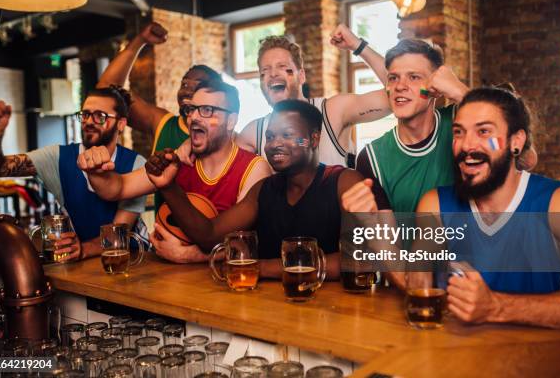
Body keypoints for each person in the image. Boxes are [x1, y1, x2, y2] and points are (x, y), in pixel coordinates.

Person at [143, 99, 391, 278]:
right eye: (270, 137)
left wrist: (261, 267)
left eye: (287, 135)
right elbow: (209, 235)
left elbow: (361, 259)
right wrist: (169, 187)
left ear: (313, 139)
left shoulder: (343, 182)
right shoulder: (263, 190)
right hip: (272, 311)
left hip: (336, 315)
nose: (275, 144)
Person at [415, 87, 560, 328]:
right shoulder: (434, 205)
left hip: (543, 361)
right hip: (459, 358)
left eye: (484, 131)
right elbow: (416, 286)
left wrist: (496, 307)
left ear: (515, 142)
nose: (467, 145)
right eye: (459, 132)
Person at [78, 80, 272, 263]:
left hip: (224, 287)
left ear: (231, 121)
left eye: (207, 110)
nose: (194, 117)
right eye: (192, 109)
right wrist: (94, 171)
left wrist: (188, 255)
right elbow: (117, 188)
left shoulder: (253, 168)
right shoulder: (177, 160)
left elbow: (244, 244)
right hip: (168, 283)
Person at [178, 24, 391, 168]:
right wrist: (194, 142)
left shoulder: (332, 111)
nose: (272, 74)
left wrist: (357, 45)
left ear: (301, 75)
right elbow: (220, 155)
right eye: (264, 71)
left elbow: (396, 93)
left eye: (282, 67)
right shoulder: (255, 133)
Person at [0, 87, 147, 261]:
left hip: (130, 260)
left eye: (100, 116)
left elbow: (120, 231)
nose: (89, 121)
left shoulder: (136, 163)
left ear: (121, 124)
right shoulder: (58, 157)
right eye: (85, 114)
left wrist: (83, 249)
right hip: (78, 262)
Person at [96, 22, 222, 212]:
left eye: (198, 85)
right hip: (162, 237)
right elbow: (107, 91)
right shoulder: (164, 123)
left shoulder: (226, 139)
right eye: (184, 84)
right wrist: (140, 41)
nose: (187, 91)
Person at [355, 39, 470, 214]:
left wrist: (460, 91)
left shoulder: (462, 121)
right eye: (393, 78)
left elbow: (518, 150)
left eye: (414, 77)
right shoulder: (371, 158)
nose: (400, 86)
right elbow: (386, 237)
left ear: (435, 89)